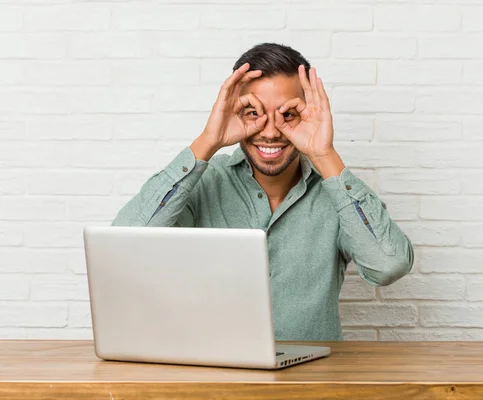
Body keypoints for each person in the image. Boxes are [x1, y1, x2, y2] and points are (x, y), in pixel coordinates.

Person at [112, 43, 414, 341]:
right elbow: (124, 246)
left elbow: (389, 265)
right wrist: (208, 140)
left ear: (309, 113)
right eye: (252, 111)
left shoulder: (337, 196)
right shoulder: (203, 183)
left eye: (288, 114)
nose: (270, 131)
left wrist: (325, 155)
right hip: (217, 380)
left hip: (312, 383)